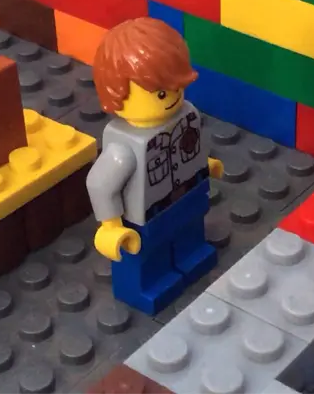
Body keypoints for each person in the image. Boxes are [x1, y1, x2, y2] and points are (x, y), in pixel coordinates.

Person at [86, 17, 223, 315]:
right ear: (118, 94)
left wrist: (203, 165)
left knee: (190, 232)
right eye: (161, 93)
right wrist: (111, 226)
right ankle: (149, 286)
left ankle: (191, 257)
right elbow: (100, 184)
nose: (172, 97)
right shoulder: (124, 147)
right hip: (147, 216)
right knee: (149, 256)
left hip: (189, 195)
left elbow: (187, 148)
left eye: (176, 87)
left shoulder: (186, 115)